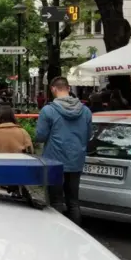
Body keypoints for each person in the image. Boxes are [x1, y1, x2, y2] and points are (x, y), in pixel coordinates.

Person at [35, 76, 93, 226]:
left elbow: (40, 136)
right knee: (73, 201)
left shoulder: (48, 111)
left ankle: (57, 234)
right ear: (68, 88)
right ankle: (76, 234)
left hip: (54, 161)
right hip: (76, 160)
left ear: (53, 89)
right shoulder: (85, 111)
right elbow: (89, 135)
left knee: (56, 201)